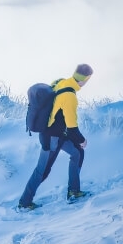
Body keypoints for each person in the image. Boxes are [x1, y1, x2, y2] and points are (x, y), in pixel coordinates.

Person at [18, 64, 94, 210]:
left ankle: (73, 191)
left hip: (58, 135)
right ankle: (24, 202)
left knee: (77, 152)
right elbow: (72, 127)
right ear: (86, 79)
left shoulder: (60, 82)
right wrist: (82, 140)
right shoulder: (70, 96)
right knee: (42, 171)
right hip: (51, 138)